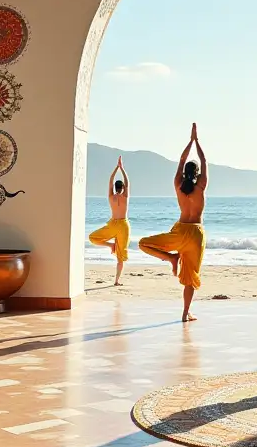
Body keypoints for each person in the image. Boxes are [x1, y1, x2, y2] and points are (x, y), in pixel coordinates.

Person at [139, 123, 207, 321]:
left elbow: (182, 159)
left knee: (143, 243)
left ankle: (171, 258)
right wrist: (197, 141)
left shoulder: (178, 185)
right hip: (195, 234)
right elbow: (203, 159)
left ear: (184, 173)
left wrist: (189, 142)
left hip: (179, 232)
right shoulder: (201, 187)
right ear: (197, 174)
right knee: (190, 278)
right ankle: (185, 314)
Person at [88, 157, 130, 286]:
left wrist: (116, 168)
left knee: (92, 237)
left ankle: (110, 245)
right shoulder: (125, 196)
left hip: (113, 224)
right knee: (120, 257)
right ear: (122, 187)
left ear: (115, 188)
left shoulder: (111, 197)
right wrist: (122, 168)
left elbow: (110, 182)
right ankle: (116, 281)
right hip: (123, 225)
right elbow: (128, 182)